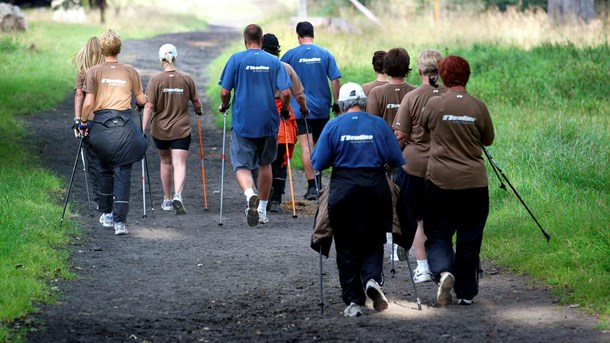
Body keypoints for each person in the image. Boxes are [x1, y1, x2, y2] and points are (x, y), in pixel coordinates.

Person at [311, 82, 405, 317]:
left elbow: (318, 163)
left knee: (345, 245)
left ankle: (353, 301)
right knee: (374, 239)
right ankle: (372, 279)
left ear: (341, 105)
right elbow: (395, 159)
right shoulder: (379, 124)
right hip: (375, 189)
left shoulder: (333, 125)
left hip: (344, 190)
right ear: (363, 102)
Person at [420, 55, 495, 306]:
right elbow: (488, 140)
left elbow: (423, 127)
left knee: (438, 233)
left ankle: (444, 271)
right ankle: (465, 292)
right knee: (470, 237)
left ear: (442, 77)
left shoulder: (434, 105)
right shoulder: (478, 107)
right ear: (467, 76)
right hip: (474, 183)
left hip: (440, 182)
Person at [218, 24, 292, 227]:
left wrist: (225, 106)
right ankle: (262, 211)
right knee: (265, 163)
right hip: (268, 121)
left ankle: (250, 194)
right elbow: (286, 93)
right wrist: (284, 111)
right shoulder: (274, 61)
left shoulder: (236, 59)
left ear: (245, 40)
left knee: (241, 165)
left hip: (243, 121)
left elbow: (225, 92)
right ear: (261, 39)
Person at [79, 29, 147, 236]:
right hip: (124, 126)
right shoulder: (130, 71)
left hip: (101, 127)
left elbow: (88, 102)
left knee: (104, 168)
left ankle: (106, 213)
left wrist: (82, 122)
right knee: (123, 172)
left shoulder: (94, 72)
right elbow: (142, 100)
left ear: (102, 49)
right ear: (119, 49)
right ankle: (120, 222)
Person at [393, 49, 445, 283]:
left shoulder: (412, 97)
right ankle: (443, 266)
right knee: (441, 218)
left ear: (420, 69)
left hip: (413, 167)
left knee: (416, 217)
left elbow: (401, 135)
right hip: (444, 165)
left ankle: (422, 267)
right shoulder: (448, 96)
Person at [281, 21, 342, 201]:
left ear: (298, 36)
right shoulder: (325, 54)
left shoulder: (290, 55)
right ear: (313, 35)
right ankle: (319, 181)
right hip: (322, 108)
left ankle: (312, 187)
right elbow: (335, 79)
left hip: (301, 108)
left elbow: (280, 75)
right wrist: (336, 102)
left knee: (306, 145)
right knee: (319, 144)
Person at [365, 47, 415, 262]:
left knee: (385, 199)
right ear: (407, 67)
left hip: (383, 154)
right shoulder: (413, 92)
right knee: (403, 199)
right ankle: (401, 242)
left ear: (386, 68)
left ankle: (389, 239)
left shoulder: (377, 93)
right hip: (409, 153)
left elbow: (372, 125)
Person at [142, 43, 203, 215]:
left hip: (160, 130)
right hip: (181, 129)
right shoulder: (186, 78)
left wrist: (143, 130)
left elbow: (148, 107)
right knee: (179, 163)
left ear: (161, 59)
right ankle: (178, 195)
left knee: (165, 162)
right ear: (175, 57)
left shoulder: (155, 80)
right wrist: (199, 111)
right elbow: (196, 103)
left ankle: (167, 200)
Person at [261, 33, 308, 213]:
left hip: (262, 115)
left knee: (263, 157)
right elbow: (299, 95)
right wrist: (304, 109)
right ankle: (276, 199)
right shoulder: (286, 67)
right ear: (277, 50)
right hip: (283, 117)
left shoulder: (256, 67)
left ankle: (263, 192)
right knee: (281, 158)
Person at [72, 36, 104, 209]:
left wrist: (78, 120)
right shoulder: (105, 71)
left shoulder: (82, 72)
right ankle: (110, 193)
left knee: (92, 161)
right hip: (106, 119)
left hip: (88, 121)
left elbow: (79, 95)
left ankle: (99, 197)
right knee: (106, 158)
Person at [366, 47, 416, 127]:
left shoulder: (376, 93)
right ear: (407, 65)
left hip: (384, 139)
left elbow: (372, 125)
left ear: (386, 66)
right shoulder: (415, 92)